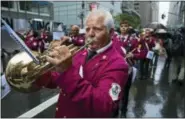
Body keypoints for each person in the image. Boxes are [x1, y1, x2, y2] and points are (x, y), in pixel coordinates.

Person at [35, 9, 129, 118]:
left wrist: (67, 71)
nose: (90, 34)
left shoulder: (118, 64)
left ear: (111, 32)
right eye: (87, 29)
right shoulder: (80, 53)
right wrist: (40, 73)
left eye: (97, 29)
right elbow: (57, 79)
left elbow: (104, 105)